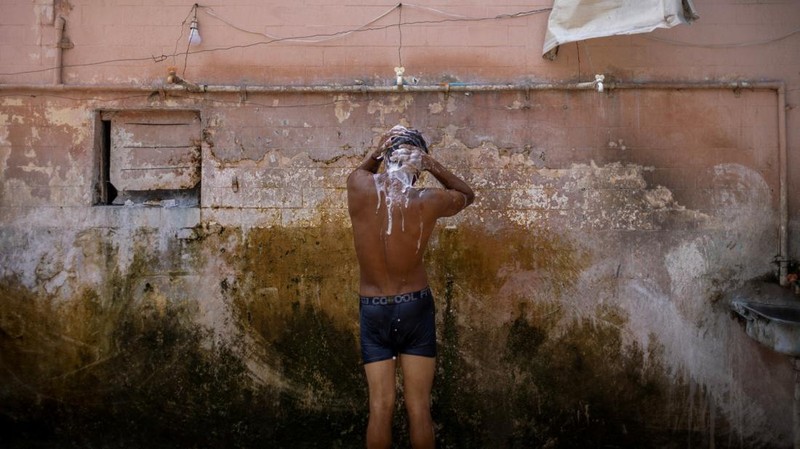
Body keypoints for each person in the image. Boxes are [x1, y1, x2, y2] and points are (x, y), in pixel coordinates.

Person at [346, 125, 475, 449]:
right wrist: (432, 164)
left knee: (380, 407)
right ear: (416, 165)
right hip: (414, 306)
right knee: (419, 408)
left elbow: (364, 170)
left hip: (373, 308)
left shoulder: (358, 186)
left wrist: (376, 150)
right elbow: (467, 194)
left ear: (385, 156)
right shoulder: (428, 199)